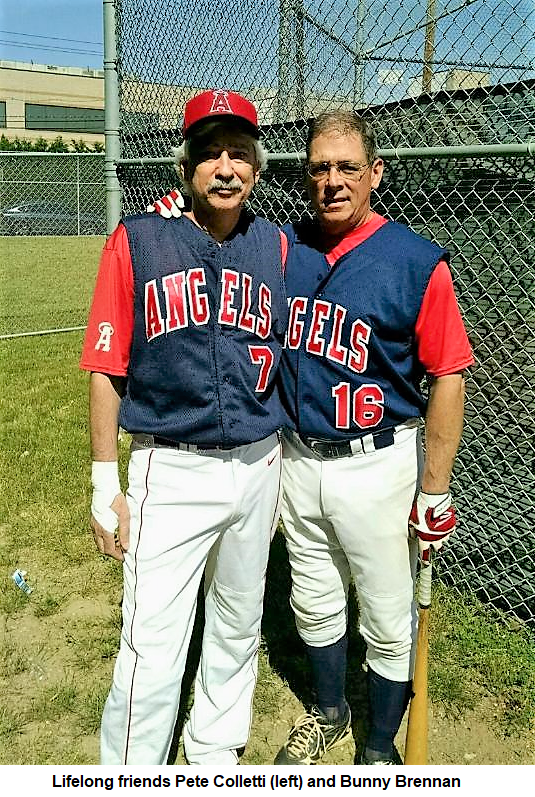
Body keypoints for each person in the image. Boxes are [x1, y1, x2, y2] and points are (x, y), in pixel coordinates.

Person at [148, 110, 474, 766]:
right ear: (305, 176)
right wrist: (176, 214)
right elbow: (221, 232)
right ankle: (328, 712)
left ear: (375, 173)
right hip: (297, 457)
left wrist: (435, 487)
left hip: (378, 462)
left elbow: (449, 374)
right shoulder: (284, 247)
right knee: (314, 599)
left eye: (347, 167)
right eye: (319, 168)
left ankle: (378, 747)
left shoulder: (415, 261)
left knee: (387, 613)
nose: (332, 181)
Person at [79, 89, 288, 765]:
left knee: (237, 620)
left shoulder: (275, 245)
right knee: (152, 640)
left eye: (239, 153)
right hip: (170, 465)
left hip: (258, 461)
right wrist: (103, 482)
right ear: (186, 167)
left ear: (255, 167)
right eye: (209, 154)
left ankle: (214, 748)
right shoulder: (138, 240)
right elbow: (105, 366)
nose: (225, 168)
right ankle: (131, 767)